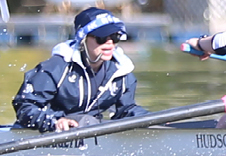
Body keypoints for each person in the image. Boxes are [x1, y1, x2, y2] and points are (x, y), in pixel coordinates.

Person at [12, 8, 150, 132]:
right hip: (48, 131)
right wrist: (54, 122)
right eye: (102, 38)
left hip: (89, 128)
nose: (109, 43)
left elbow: (126, 110)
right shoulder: (56, 68)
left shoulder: (121, 71)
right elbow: (25, 107)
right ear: (83, 39)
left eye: (114, 37)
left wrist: (157, 120)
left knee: (89, 121)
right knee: (87, 121)